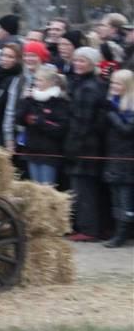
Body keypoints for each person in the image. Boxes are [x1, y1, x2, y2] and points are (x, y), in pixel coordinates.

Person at [65, 47, 108, 241]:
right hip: (87, 143)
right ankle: (87, 226)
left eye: (82, 61)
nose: (77, 64)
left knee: (84, 190)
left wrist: (72, 148)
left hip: (84, 146)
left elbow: (83, 122)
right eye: (76, 60)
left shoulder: (89, 87)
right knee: (82, 188)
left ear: (91, 64)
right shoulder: (86, 83)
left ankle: (89, 229)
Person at [15, 67, 68, 185]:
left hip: (49, 153)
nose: (36, 83)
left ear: (50, 82)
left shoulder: (59, 102)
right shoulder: (31, 99)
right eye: (36, 80)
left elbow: (60, 128)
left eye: (40, 80)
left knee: (46, 189)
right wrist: (25, 100)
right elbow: (18, 119)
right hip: (32, 150)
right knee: (35, 189)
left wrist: (40, 122)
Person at [102, 69, 134, 247]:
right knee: (116, 198)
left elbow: (127, 130)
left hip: (127, 159)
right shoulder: (113, 103)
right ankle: (117, 231)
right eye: (112, 83)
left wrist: (112, 115)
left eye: (118, 84)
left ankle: (122, 234)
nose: (113, 86)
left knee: (125, 199)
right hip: (113, 156)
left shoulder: (129, 107)